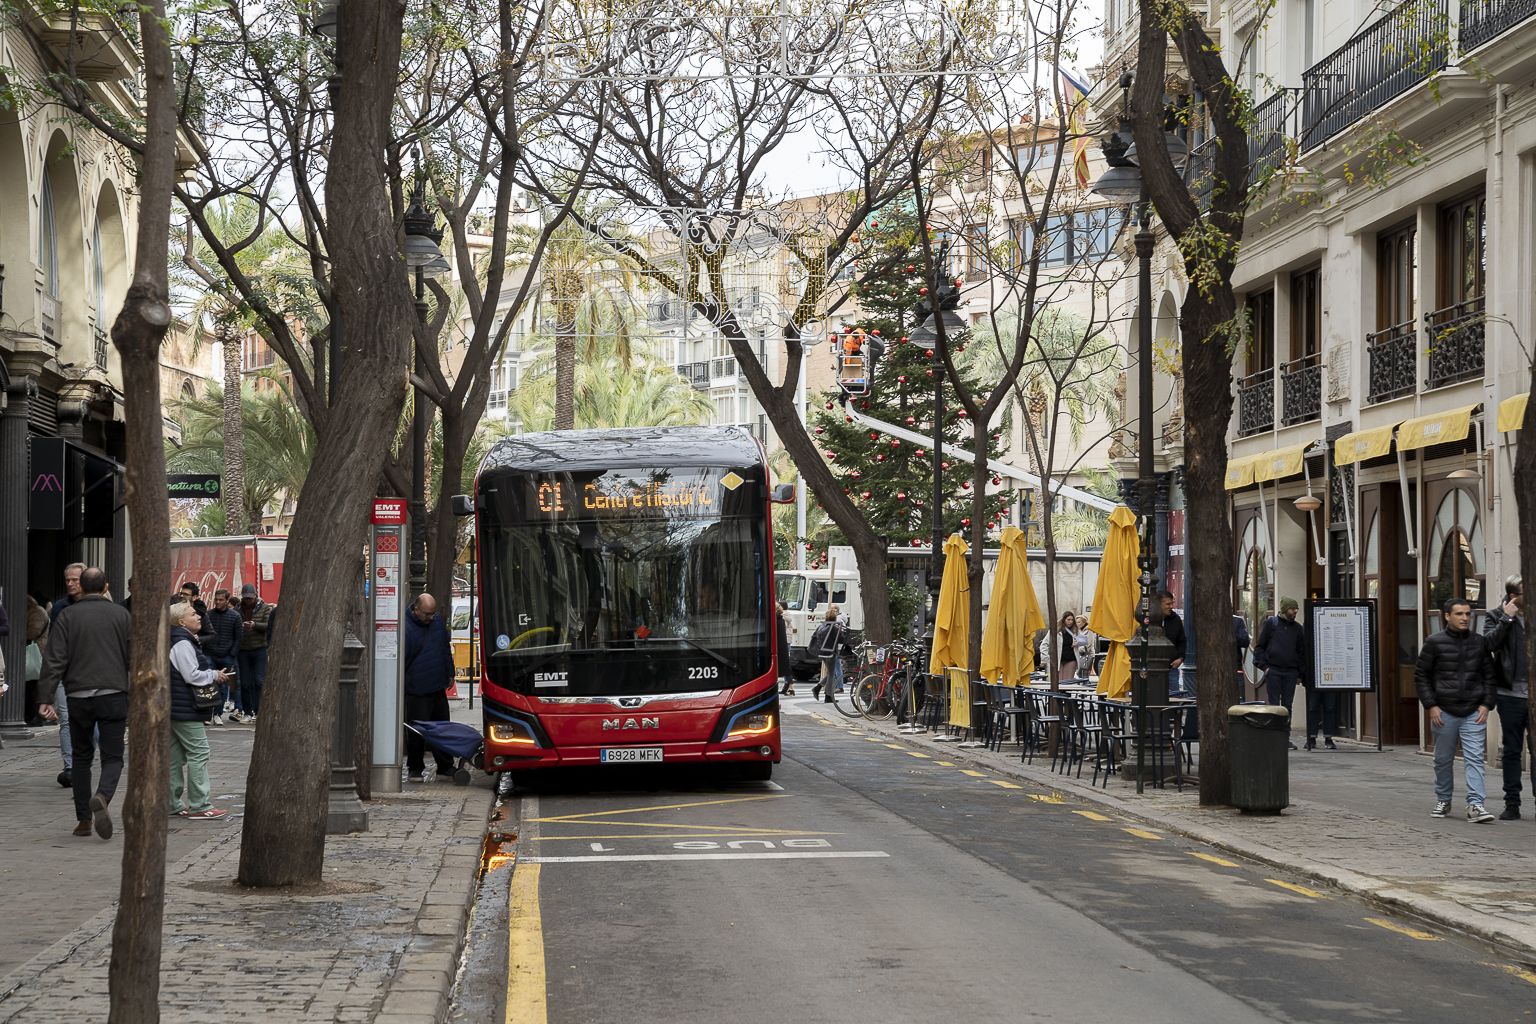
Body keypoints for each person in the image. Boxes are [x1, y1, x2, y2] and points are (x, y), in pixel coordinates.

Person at [37, 567, 130, 840]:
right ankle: (102, 795)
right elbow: (134, 656)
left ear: (83, 587)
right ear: (106, 587)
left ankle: (83, 820)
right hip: (113, 694)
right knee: (113, 756)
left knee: (81, 757)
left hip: (78, 695)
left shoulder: (67, 615)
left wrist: (45, 697)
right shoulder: (121, 615)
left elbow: (54, 659)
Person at [1417, 597, 1498, 822]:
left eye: (1467, 614)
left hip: (1473, 710)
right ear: (1447, 616)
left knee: (1474, 758)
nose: (1464, 618)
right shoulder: (1434, 642)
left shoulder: (1479, 642)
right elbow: (1421, 676)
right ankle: (1443, 800)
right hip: (1444, 711)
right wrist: (1431, 705)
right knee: (1443, 759)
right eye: (1459, 614)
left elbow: (1490, 676)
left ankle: (1476, 805)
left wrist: (1486, 704)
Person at [167, 601, 230, 820]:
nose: (199, 617)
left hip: (175, 705)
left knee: (175, 755)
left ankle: (171, 802)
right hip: (185, 706)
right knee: (199, 751)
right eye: (193, 614)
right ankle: (200, 804)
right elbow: (191, 675)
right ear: (181, 621)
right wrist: (213, 675)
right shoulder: (182, 643)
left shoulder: (178, 640)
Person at [1482, 575, 1531, 821]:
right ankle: (1512, 803)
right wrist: (1507, 617)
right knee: (1512, 750)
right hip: (1509, 694)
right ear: (1514, 596)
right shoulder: (1494, 616)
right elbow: (1488, 644)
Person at [403, 592, 456, 781]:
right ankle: (415, 768)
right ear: (416, 609)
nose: (430, 617)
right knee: (417, 730)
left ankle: (445, 765)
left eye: (433, 613)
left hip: (437, 685)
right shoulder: (405, 627)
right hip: (416, 689)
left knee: (442, 727)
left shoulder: (437, 623)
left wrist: (450, 672)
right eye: (427, 614)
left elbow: (444, 649)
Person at [1255, 598, 1307, 749]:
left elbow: (1301, 651)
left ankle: (1285, 737)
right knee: (1274, 705)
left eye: (1296, 609)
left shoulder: (1298, 629)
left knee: (1287, 706)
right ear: (1285, 609)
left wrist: (1299, 673)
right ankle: (1274, 737)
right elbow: (1260, 647)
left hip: (1290, 672)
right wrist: (1264, 667)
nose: (1295, 612)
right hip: (1274, 670)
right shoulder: (1271, 624)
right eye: (1292, 609)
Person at [203, 588, 243, 726]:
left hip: (226, 655)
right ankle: (209, 714)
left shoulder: (235, 616)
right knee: (209, 684)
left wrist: (232, 654)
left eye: (221, 600)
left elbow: (239, 638)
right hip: (210, 654)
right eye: (216, 599)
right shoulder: (208, 615)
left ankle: (218, 714)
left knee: (223, 685)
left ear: (227, 600)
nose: (218, 602)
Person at [235, 584, 272, 723]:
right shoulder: (238, 609)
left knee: (259, 681)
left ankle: (259, 710)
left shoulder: (264, 608)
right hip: (243, 650)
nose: (248, 601)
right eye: (246, 598)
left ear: (255, 596)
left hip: (259, 649)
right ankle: (247, 711)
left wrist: (254, 625)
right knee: (244, 683)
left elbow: (268, 626)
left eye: (250, 598)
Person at [808, 605, 852, 703]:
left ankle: (818, 687)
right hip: (831, 653)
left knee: (831, 673)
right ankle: (827, 696)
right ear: (834, 617)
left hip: (822, 652)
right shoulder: (834, 627)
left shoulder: (821, 626)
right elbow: (841, 639)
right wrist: (845, 633)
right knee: (832, 674)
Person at [1157, 592, 1188, 696]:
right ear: (1158, 604)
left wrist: (1180, 658)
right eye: (1168, 604)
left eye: (1172, 603)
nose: (1171, 606)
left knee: (1175, 698)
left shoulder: (1176, 619)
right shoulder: (1148, 620)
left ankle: (1174, 713)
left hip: (1171, 667)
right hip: (1152, 669)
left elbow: (1182, 640)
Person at [775, 601, 795, 697]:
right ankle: (790, 687)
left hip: (784, 641)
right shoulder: (783, 617)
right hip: (786, 640)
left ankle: (790, 687)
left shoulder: (782, 617)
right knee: (785, 664)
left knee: (784, 664)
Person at [1054, 611, 1078, 680]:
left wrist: (1078, 644)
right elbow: (1045, 644)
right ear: (1064, 620)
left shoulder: (1076, 631)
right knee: (1058, 681)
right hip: (1059, 659)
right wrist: (1046, 658)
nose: (1070, 622)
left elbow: (1085, 644)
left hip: (1071, 659)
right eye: (1068, 620)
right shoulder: (1057, 631)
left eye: (1072, 620)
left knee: (1067, 682)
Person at [1072, 614, 1097, 680]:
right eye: (1076, 622)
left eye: (1079, 622)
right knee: (1080, 673)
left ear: (1084, 622)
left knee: (1084, 673)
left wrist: (1080, 648)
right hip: (1079, 654)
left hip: (1087, 654)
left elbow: (1089, 643)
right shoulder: (1078, 631)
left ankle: (1085, 685)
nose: (1077, 624)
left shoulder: (1089, 630)